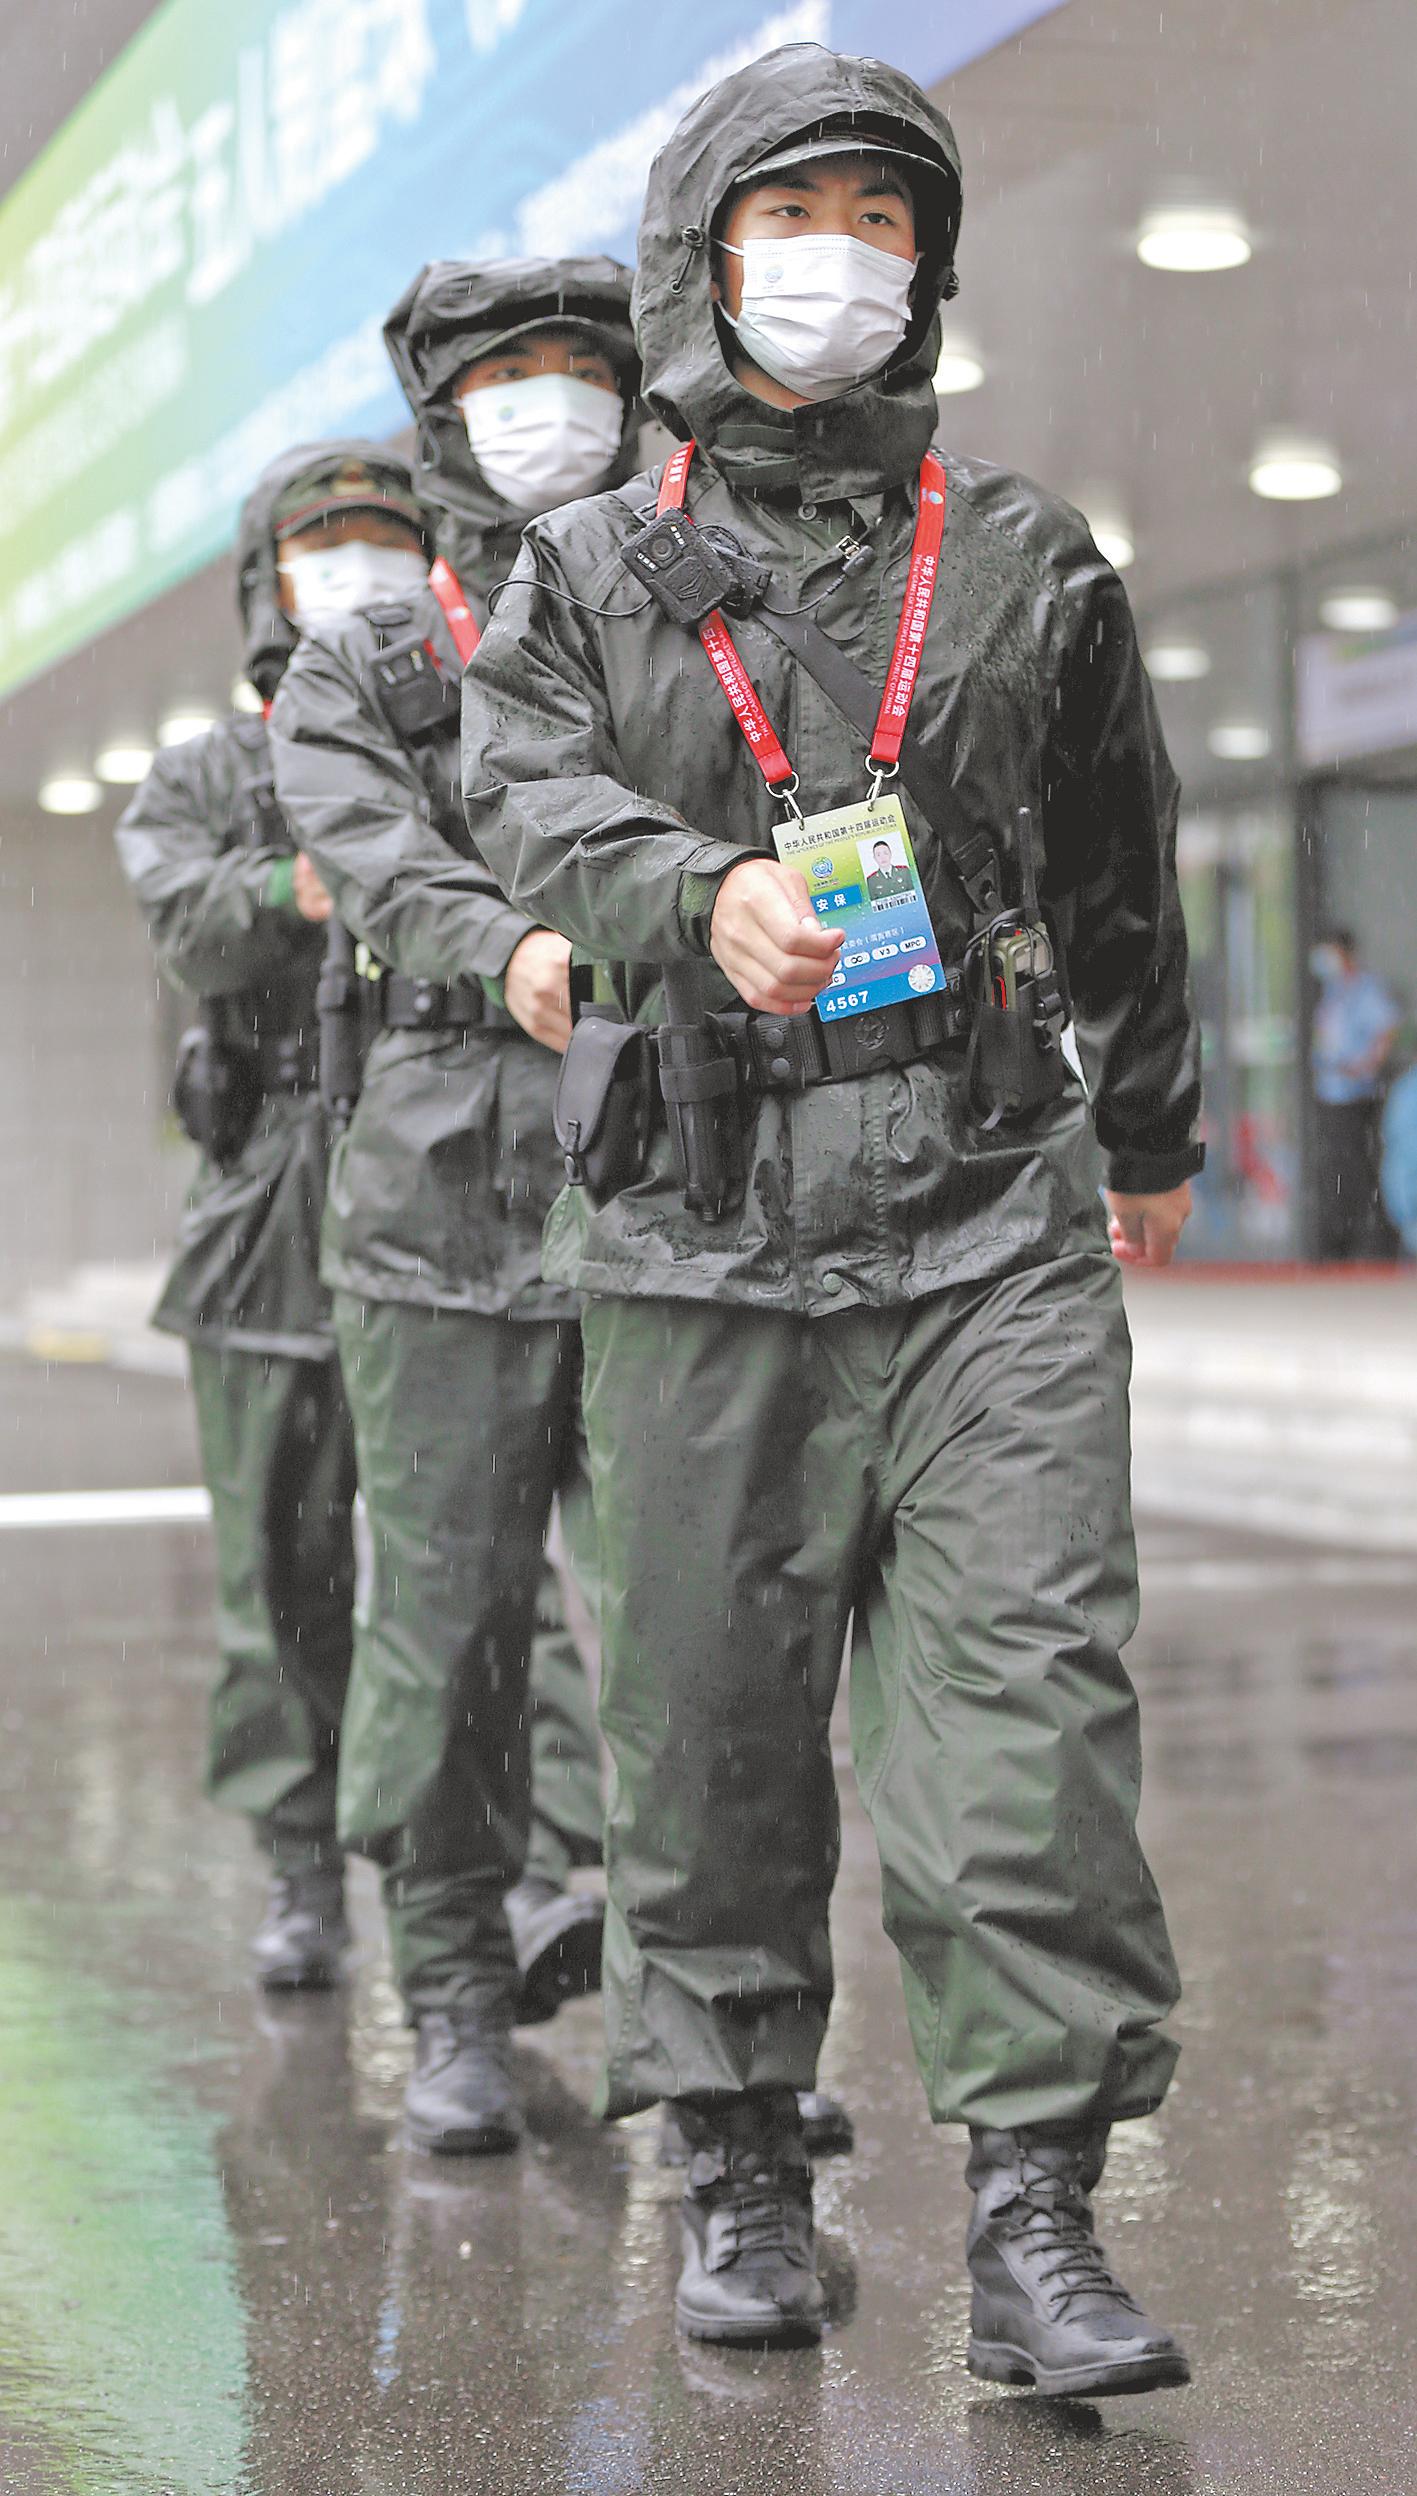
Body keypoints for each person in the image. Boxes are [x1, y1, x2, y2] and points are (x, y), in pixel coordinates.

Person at [443, 43, 1203, 2385]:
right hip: (698, 1212)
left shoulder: (1021, 556)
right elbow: (518, 795)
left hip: (987, 1204)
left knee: (1028, 1706)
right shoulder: (584, 568)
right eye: (799, 216)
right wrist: (690, 891)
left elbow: (1120, 860)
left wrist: (1150, 1132)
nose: (843, 261)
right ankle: (741, 2154)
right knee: (704, 1724)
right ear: (705, 254)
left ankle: (1037, 2214)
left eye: (885, 221)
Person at [268, 261, 636, 2157]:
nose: (548, 400)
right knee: (450, 1623)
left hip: (667, 1184)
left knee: (695, 1624)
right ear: (443, 412)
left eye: (583, 366)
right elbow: (373, 857)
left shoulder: (683, 611)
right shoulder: (369, 660)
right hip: (434, 1201)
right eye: (509, 373)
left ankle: (709, 2015)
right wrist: (514, 945)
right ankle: (459, 1998)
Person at [113, 443, 425, 1990]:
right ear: (268, 576)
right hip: (266, 1216)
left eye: (384, 536)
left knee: (467, 1576)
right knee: (281, 1579)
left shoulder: (463, 730)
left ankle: (486, 1876)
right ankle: (301, 1868)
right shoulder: (206, 777)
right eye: (325, 540)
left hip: (440, 1184)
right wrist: (302, 881)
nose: (357, 563)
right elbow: (187, 926)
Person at [1310, 926, 1398, 1259]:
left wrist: (1365, 1065)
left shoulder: (1366, 989)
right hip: (1331, 1094)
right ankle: (1338, 1243)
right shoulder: (1333, 992)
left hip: (1355, 1098)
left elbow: (1386, 1029)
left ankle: (1371, 1244)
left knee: (1357, 1171)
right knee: (1335, 1171)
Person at [865, 836, 912, 903]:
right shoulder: (871, 880)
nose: (882, 857)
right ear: (874, 858)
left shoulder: (904, 871)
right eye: (878, 855)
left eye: (885, 853)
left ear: (890, 854)